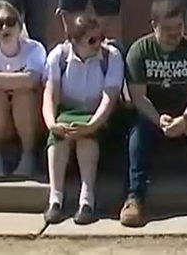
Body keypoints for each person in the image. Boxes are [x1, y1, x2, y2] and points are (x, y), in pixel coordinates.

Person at [120, 0, 187, 227]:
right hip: (152, 114)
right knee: (137, 132)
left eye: (179, 27)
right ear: (153, 25)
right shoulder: (139, 51)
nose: (175, 33)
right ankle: (134, 198)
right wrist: (158, 119)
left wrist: (186, 119)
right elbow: (138, 97)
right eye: (168, 29)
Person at [41, 14, 124, 225]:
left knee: (87, 138)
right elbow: (50, 95)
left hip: (99, 114)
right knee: (58, 137)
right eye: (91, 40)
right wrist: (52, 123)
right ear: (74, 41)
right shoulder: (58, 57)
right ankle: (55, 198)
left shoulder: (111, 56)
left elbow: (110, 96)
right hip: (67, 112)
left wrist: (92, 124)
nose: (99, 44)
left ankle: (87, 200)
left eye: (101, 38)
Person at [0, 1, 48, 178]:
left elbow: (33, 80)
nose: (5, 27)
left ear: (20, 26)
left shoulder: (34, 48)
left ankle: (28, 155)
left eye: (11, 21)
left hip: (30, 119)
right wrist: (18, 80)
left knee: (23, 95)